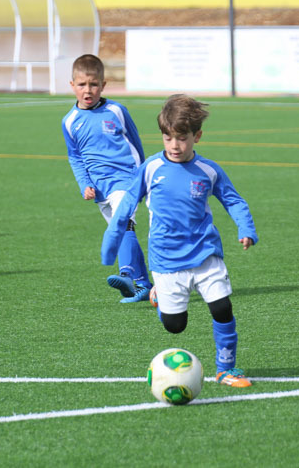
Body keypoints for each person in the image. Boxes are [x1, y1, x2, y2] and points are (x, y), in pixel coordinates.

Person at [101, 94, 258, 388]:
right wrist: (111, 243)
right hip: (166, 259)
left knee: (222, 307)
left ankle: (226, 369)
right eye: (168, 138)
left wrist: (245, 227)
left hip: (205, 253)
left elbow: (234, 200)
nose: (174, 145)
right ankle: (159, 295)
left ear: (197, 136)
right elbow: (126, 206)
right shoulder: (151, 168)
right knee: (175, 326)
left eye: (182, 138)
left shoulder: (209, 170)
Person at [62, 54, 153, 302]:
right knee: (124, 231)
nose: (88, 90)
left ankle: (126, 274)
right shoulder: (69, 122)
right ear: (72, 85)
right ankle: (144, 285)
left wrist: (142, 178)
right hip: (101, 189)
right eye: (82, 84)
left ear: (103, 85)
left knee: (122, 224)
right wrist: (85, 184)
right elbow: (75, 158)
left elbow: (135, 144)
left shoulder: (116, 111)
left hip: (126, 180)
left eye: (93, 84)